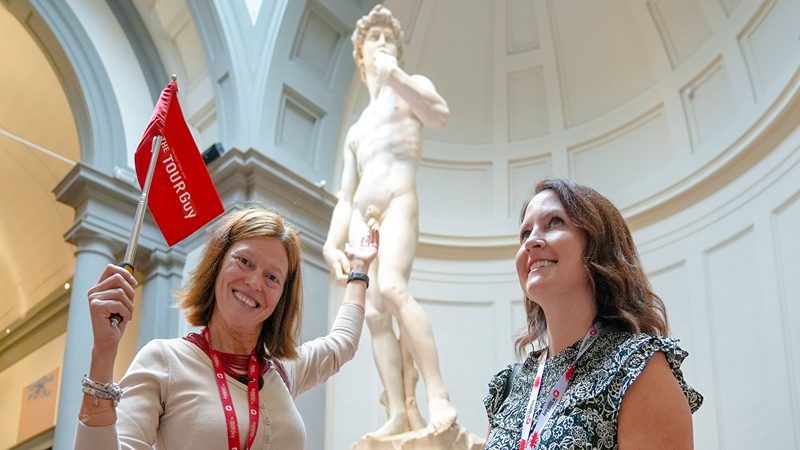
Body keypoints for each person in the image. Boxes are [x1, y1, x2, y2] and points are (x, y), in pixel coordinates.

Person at [74, 204, 379, 449]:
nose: (254, 282)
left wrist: (359, 270)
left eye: (272, 277)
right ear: (218, 263)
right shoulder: (165, 360)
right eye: (245, 261)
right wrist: (104, 353)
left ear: (282, 296)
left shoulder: (284, 370)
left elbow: (343, 343)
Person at [484, 179, 703, 449]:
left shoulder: (636, 366)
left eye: (555, 222)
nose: (531, 242)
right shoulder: (508, 386)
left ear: (598, 243)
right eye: (525, 233)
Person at [322, 4, 456, 436]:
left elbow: (438, 115)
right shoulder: (356, 128)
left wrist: (395, 73)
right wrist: (330, 244)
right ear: (360, 57)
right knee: (375, 312)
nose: (381, 45)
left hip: (399, 197)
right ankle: (398, 411)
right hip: (363, 212)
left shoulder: (410, 86)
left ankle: (437, 396)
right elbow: (344, 196)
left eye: (388, 39)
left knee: (394, 288)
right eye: (373, 40)